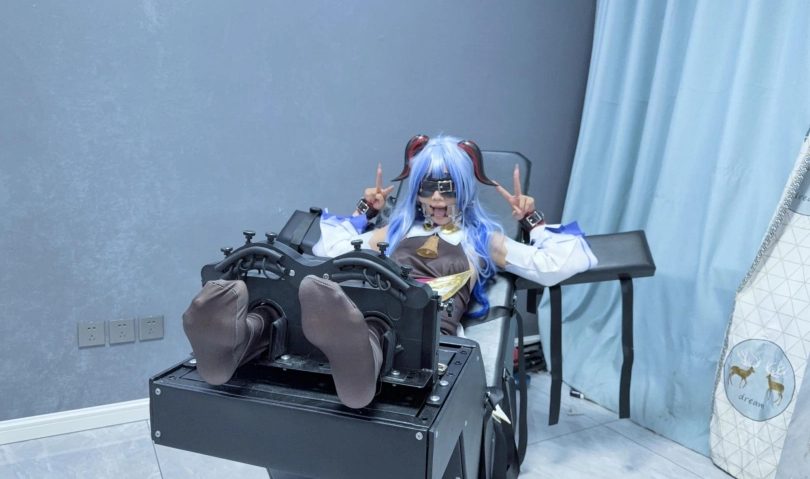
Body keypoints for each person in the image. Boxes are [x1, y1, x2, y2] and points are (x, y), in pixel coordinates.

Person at [183, 135, 596, 409]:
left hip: (429, 330)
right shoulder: (396, 230)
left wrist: (533, 222)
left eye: (448, 188)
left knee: (379, 329)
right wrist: (366, 211)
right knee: (314, 304)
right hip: (368, 309)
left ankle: (359, 365)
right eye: (428, 187)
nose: (438, 199)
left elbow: (557, 264)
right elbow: (331, 247)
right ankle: (239, 340)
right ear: (416, 191)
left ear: (464, 191)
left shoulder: (482, 238)